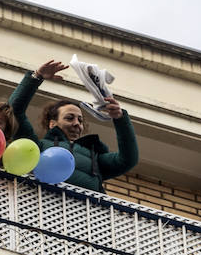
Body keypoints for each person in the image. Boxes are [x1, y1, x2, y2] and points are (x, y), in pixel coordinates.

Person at [8, 59, 139, 191]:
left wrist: (121, 118)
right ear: (52, 123)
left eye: (80, 120)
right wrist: (36, 77)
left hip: (89, 210)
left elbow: (128, 159)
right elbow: (14, 111)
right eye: (69, 118)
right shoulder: (38, 147)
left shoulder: (94, 157)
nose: (76, 123)